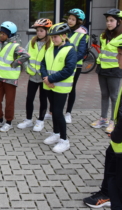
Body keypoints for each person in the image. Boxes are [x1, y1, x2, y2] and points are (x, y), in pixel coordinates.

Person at [83, 32, 122, 210]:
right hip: (121, 145)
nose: (117, 57)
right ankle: (106, 194)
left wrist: (116, 135)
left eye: (120, 54)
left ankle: (109, 196)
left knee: (120, 191)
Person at [40, 23, 77, 153]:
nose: (53, 39)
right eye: (52, 37)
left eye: (56, 37)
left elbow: (68, 70)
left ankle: (64, 140)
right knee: (53, 111)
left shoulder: (70, 50)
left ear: (64, 36)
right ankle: (56, 133)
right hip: (49, 85)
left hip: (60, 87)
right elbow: (43, 64)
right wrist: (45, 77)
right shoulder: (50, 49)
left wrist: (50, 79)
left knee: (57, 112)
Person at [91, 9, 122, 134]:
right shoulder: (103, 35)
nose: (108, 23)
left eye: (111, 20)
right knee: (104, 94)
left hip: (115, 69)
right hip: (102, 68)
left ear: (119, 22)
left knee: (114, 96)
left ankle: (113, 120)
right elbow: (103, 52)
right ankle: (103, 119)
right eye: (107, 21)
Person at [0, 21, 30, 132]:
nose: (1, 35)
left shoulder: (15, 46)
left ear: (10, 35)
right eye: (0, 33)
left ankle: (8, 122)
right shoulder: (0, 45)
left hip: (10, 79)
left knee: (9, 102)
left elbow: (26, 55)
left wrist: (16, 63)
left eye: (4, 34)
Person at [18, 18, 53, 132]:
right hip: (33, 76)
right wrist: (27, 68)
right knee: (29, 98)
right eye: (37, 30)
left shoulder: (51, 44)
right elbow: (25, 56)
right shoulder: (32, 41)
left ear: (47, 31)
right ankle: (28, 120)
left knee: (43, 99)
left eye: (41, 30)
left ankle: (40, 121)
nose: (39, 33)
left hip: (44, 78)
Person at [64, 8, 88, 124]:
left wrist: (70, 61)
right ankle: (53, 111)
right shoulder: (64, 30)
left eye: (73, 19)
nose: (70, 21)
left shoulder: (82, 33)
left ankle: (68, 113)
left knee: (71, 89)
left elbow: (81, 51)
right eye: (69, 18)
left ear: (79, 21)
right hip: (61, 64)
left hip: (75, 66)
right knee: (59, 88)